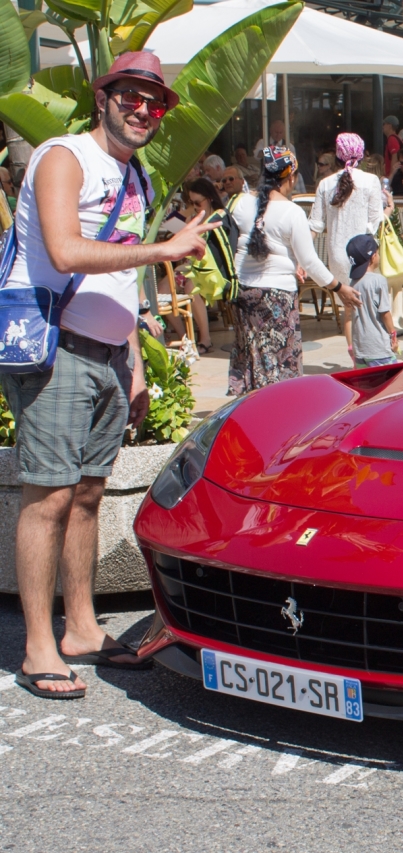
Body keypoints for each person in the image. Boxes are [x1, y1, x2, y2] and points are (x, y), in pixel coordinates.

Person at [2, 52, 216, 698]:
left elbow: (120, 277)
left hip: (106, 354)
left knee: (90, 495)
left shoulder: (134, 177)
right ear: (105, 98)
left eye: (154, 102)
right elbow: (67, 249)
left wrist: (133, 361)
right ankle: (40, 642)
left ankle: (83, 628)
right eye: (131, 96)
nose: (143, 109)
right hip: (55, 346)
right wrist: (164, 248)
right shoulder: (65, 157)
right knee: (49, 496)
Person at [229, 147, 360, 395]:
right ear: (290, 178)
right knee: (280, 362)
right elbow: (309, 261)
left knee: (251, 356)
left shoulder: (241, 204)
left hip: (243, 292)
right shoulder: (292, 211)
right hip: (277, 296)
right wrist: (338, 288)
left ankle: (250, 410)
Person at [309, 133, 385, 289]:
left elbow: (315, 225)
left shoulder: (325, 184)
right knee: (362, 304)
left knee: (345, 304)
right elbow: (375, 221)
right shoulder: (371, 181)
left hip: (336, 254)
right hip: (363, 254)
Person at [176, 178, 233, 353]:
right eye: (191, 203)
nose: (195, 207)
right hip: (194, 267)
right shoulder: (195, 219)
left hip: (213, 271)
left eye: (197, 202)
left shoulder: (218, 218)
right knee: (163, 289)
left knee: (190, 287)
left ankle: (205, 339)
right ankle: (186, 338)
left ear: (208, 198)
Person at [342, 234, 398, 368]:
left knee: (366, 386)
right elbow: (385, 313)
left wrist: (351, 346)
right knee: (388, 384)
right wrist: (393, 334)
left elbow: (348, 317)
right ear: (373, 257)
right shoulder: (379, 281)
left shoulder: (352, 284)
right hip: (380, 350)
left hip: (360, 350)